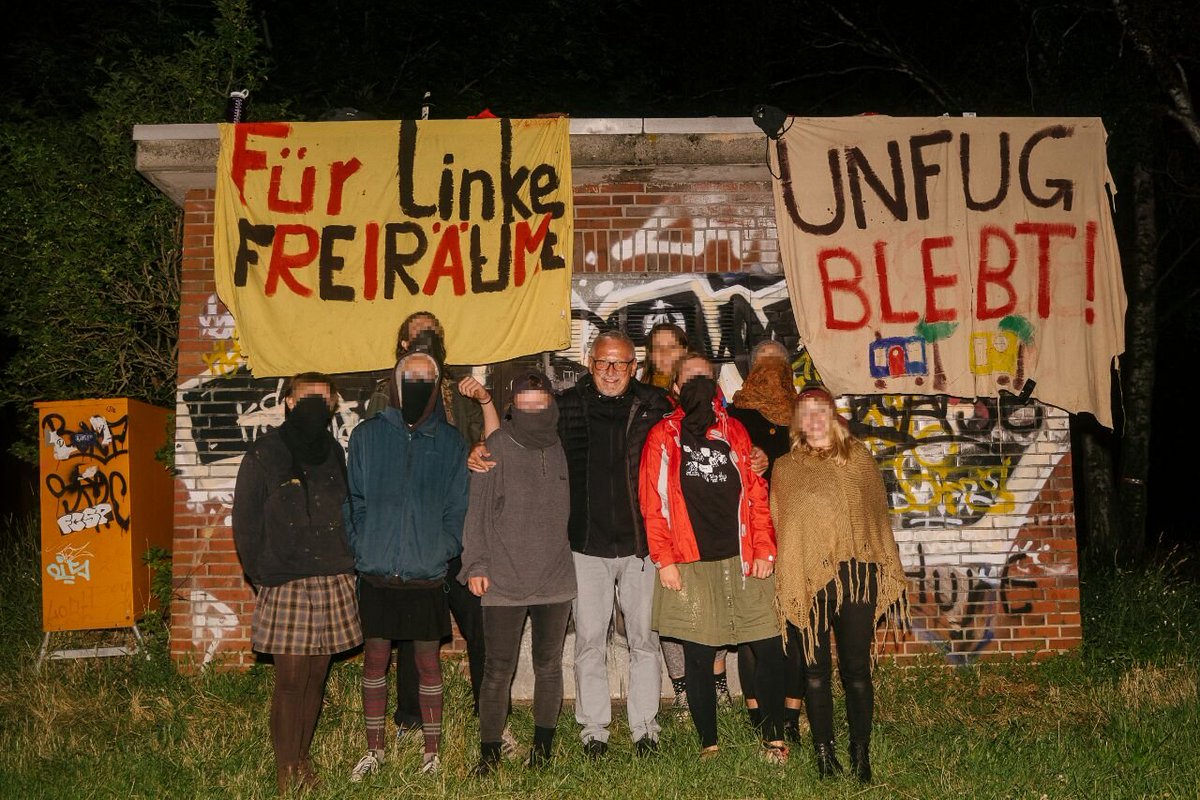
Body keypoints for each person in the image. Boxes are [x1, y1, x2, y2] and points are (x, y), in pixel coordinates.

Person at [470, 329, 672, 758]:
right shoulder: (566, 406)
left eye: (620, 363)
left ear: (633, 366)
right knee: (589, 643)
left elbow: (686, 446)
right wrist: (482, 450)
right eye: (603, 363)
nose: (612, 371)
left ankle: (644, 728)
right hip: (584, 547)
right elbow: (517, 438)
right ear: (589, 363)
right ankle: (594, 730)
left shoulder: (656, 405)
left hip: (641, 548)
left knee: (643, 641)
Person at [639, 353, 789, 763]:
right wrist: (664, 559)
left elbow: (757, 496)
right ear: (675, 389)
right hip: (690, 560)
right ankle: (710, 743)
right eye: (690, 380)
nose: (699, 386)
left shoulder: (735, 430)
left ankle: (774, 739)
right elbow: (653, 503)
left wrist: (764, 549)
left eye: (706, 378)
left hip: (741, 556)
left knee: (768, 643)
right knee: (698, 654)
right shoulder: (662, 436)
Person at [366, 311, 502, 753]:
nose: (429, 337)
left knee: (480, 621)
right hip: (411, 536)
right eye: (418, 332)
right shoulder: (384, 395)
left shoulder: (460, 392)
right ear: (403, 344)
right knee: (409, 628)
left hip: (460, 530)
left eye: (436, 332)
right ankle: (407, 718)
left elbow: (487, 446)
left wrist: (479, 419)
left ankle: (490, 713)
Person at [770, 386, 908, 783]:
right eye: (805, 413)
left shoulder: (859, 459)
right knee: (815, 672)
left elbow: (876, 520)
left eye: (820, 411)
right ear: (797, 422)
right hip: (811, 579)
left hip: (857, 577)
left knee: (856, 671)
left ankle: (861, 755)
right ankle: (824, 755)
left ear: (832, 415)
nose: (813, 419)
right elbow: (788, 527)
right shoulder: (786, 468)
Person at [232, 372, 362, 795]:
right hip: (286, 581)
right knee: (290, 680)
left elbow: (347, 509)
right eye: (306, 398)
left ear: (332, 406)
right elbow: (245, 522)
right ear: (288, 402)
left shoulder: (334, 453)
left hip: (331, 577)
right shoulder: (265, 454)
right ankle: (285, 768)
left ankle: (302, 758)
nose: (313, 406)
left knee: (315, 678)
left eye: (323, 400)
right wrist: (261, 571)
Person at [344, 346, 469, 780]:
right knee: (375, 660)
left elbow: (458, 507)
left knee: (428, 664)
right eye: (409, 378)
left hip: (424, 571)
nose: (416, 386)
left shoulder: (450, 441)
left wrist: (442, 547)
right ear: (396, 386)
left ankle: (431, 753)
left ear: (435, 388)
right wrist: (364, 548)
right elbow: (354, 500)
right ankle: (373, 750)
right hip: (377, 570)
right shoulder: (367, 436)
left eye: (425, 380)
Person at [459, 371, 576, 775]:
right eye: (522, 402)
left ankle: (542, 752)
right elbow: (477, 511)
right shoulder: (496, 446)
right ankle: (488, 755)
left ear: (550, 401)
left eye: (537, 401)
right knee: (497, 669)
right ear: (512, 405)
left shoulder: (564, 446)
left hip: (555, 577)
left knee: (549, 665)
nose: (530, 409)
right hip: (503, 579)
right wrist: (476, 563)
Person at [727, 339, 803, 739]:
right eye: (763, 367)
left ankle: (791, 713)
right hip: (753, 537)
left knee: (795, 627)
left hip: (798, 537)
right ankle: (757, 713)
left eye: (779, 367)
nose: (771, 376)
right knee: (755, 630)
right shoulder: (736, 414)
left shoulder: (805, 417)